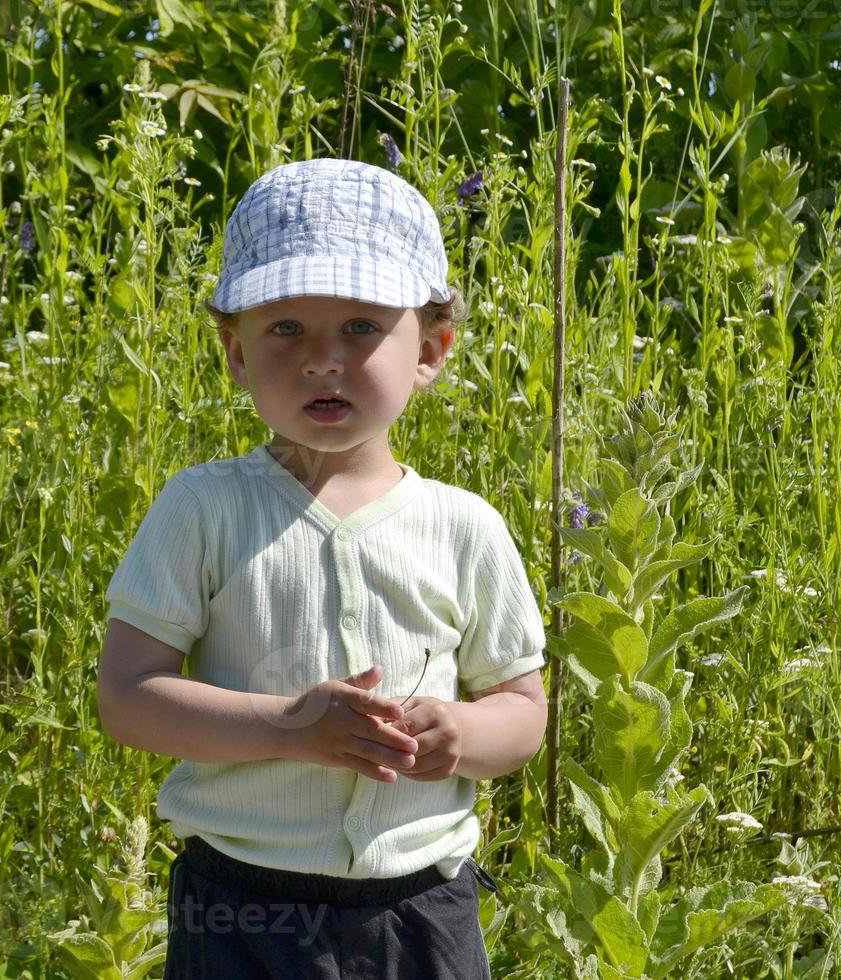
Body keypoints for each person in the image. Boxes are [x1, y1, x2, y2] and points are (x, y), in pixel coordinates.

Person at [97, 157, 548, 979]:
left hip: (421, 904)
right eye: (284, 329)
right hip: (241, 904)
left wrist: (461, 734)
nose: (320, 359)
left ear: (432, 349)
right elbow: (128, 698)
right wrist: (285, 726)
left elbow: (521, 710)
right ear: (234, 353)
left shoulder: (463, 526)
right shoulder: (203, 508)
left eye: (361, 327)